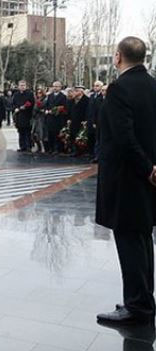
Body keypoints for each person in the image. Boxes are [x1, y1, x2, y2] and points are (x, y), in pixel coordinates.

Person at [96, 36, 156, 325]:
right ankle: (144, 299)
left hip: (128, 178)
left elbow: (123, 137)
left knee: (130, 240)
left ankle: (137, 307)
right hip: (148, 176)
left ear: (118, 57)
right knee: (143, 238)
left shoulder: (119, 89)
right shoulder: (153, 85)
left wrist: (146, 168)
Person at [44, 81, 67, 154]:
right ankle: (51, 148)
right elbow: (46, 105)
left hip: (58, 119)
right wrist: (47, 110)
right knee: (50, 134)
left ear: (60, 87)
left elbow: (64, 107)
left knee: (57, 134)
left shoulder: (63, 97)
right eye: (54, 86)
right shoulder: (50, 96)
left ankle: (58, 149)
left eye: (57, 86)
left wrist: (56, 111)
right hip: (50, 118)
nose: (55, 88)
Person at [12, 80, 34, 152]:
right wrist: (16, 108)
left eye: (23, 85)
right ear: (18, 86)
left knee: (27, 132)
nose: (22, 87)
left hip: (27, 115)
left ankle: (28, 146)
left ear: (26, 86)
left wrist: (25, 107)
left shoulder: (29, 94)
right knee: (21, 132)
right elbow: (13, 103)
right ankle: (22, 146)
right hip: (19, 116)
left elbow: (31, 103)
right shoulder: (16, 94)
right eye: (21, 85)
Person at [69, 86, 89, 156]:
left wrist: (86, 120)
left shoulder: (86, 100)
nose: (74, 92)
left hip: (82, 121)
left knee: (81, 136)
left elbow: (88, 111)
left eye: (76, 91)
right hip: (74, 121)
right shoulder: (72, 100)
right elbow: (70, 110)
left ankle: (84, 151)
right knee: (74, 135)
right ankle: (75, 150)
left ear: (81, 92)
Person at [88, 80, 104, 162]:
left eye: (97, 85)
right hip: (91, 120)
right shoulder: (91, 96)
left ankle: (98, 156)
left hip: (99, 121)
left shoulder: (102, 97)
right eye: (94, 85)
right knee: (92, 138)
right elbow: (89, 109)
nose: (95, 87)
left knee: (98, 139)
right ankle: (92, 154)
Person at [32, 88, 47, 153]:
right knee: (34, 132)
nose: (39, 94)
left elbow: (44, 108)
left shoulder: (45, 100)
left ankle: (43, 147)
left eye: (40, 93)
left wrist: (40, 110)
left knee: (41, 133)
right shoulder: (37, 100)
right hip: (36, 118)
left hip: (41, 118)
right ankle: (37, 146)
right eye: (38, 93)